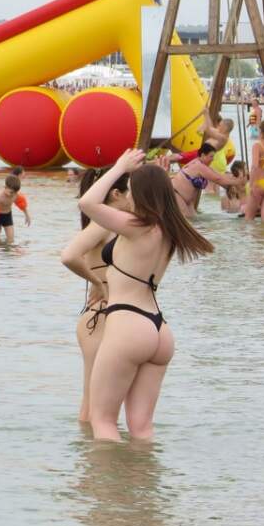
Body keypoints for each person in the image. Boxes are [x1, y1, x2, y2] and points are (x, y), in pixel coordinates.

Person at [78, 150, 213, 441]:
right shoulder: (168, 229)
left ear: (140, 194)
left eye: (129, 191)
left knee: (103, 423)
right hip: (158, 330)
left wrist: (118, 167)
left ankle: (107, 487)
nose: (127, 197)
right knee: (142, 428)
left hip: (127, 324)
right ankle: (144, 484)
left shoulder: (137, 228)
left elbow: (87, 202)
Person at [60, 167, 130, 424]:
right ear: (115, 194)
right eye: (129, 192)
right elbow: (68, 256)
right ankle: (92, 461)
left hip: (105, 318)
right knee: (92, 408)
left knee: (98, 405)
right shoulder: (101, 224)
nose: (132, 198)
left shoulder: (112, 225)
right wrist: (97, 283)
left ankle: (96, 461)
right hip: (98, 318)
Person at [171, 143, 244, 218]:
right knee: (188, 219)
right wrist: (237, 181)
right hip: (176, 195)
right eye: (211, 156)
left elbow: (219, 176)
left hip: (187, 200)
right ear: (203, 155)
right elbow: (217, 179)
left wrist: (234, 183)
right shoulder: (198, 166)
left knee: (195, 220)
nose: (213, 159)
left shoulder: (203, 166)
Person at [0, 174, 30, 244]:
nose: (13, 194)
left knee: (11, 239)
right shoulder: (0, 197)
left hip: (7, 216)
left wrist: (27, 215)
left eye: (15, 192)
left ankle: (8, 252)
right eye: (11, 192)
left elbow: (22, 204)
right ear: (5, 187)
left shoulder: (15, 195)